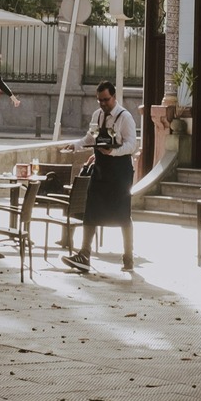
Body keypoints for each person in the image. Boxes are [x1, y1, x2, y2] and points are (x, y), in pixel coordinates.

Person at [64, 81, 137, 273]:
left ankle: (128, 257)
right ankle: (84, 254)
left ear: (114, 97)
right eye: (99, 100)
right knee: (91, 209)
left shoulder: (125, 117)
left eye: (106, 100)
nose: (103, 104)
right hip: (101, 169)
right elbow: (91, 137)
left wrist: (112, 152)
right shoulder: (97, 115)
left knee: (123, 214)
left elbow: (132, 145)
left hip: (120, 171)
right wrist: (76, 145)